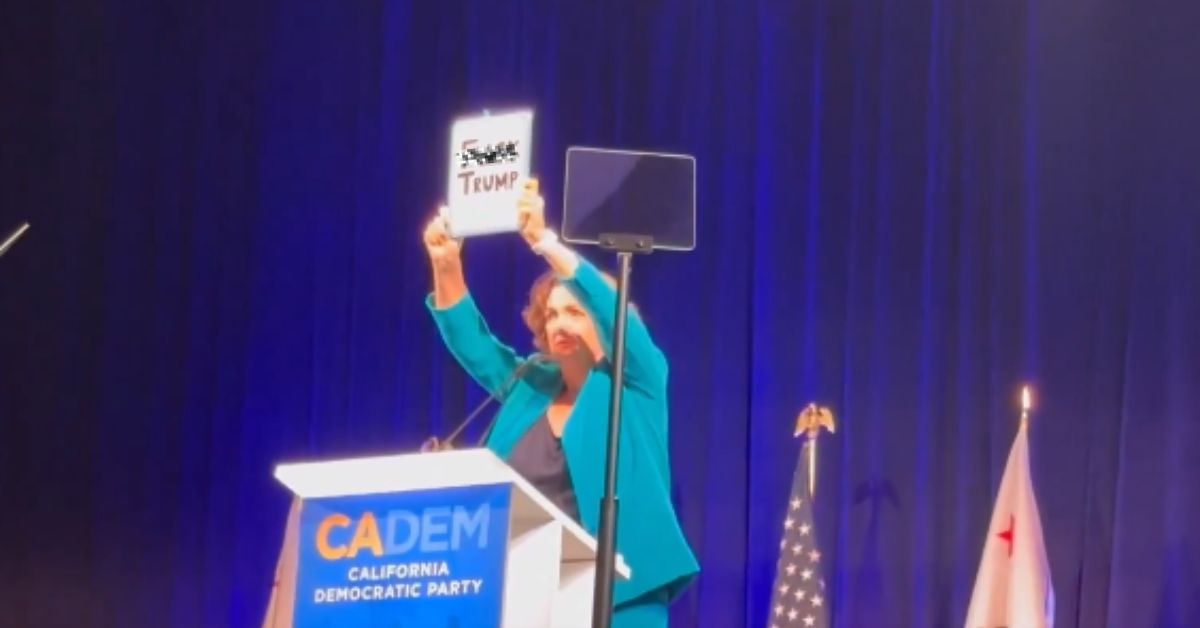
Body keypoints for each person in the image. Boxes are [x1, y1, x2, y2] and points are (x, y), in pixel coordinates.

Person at [422, 179, 699, 626]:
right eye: (551, 314)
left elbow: (613, 309)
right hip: (522, 593)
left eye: (575, 311)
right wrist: (447, 266)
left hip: (619, 600)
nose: (559, 323)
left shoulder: (639, 384)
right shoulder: (529, 384)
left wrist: (543, 241)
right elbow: (475, 345)